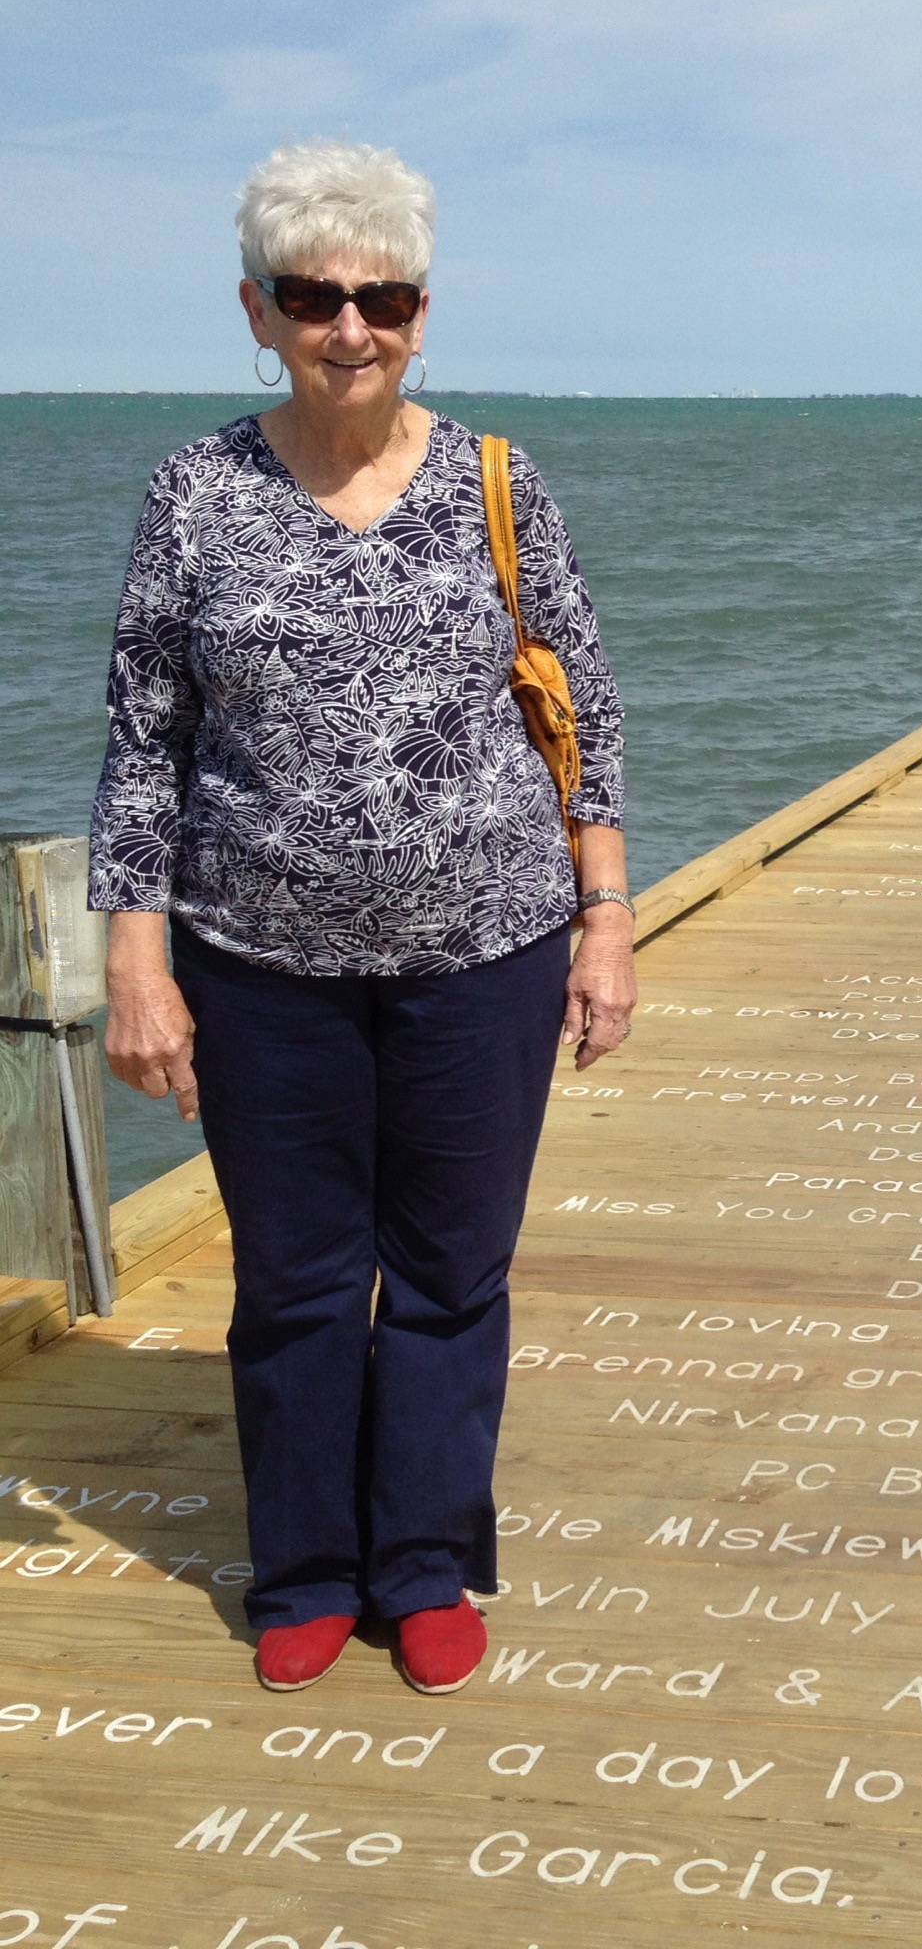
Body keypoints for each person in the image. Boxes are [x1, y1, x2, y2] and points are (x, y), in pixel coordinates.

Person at [90, 139, 633, 1699]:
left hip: (487, 950)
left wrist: (606, 922)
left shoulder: (495, 482)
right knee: (298, 1280)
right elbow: (143, 743)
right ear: (257, 312)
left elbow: (582, 711)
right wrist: (136, 962)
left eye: (382, 298)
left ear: (420, 313)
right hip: (260, 968)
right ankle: (309, 1568)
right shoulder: (196, 494)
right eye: (314, 296)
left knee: (455, 1273)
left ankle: (426, 1560)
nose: (349, 327)